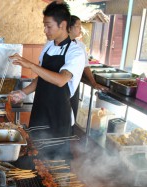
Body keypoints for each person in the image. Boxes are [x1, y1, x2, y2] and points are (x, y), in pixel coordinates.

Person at [9, 2, 85, 159]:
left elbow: (60, 80)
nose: (45, 30)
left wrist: (29, 64)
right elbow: (42, 77)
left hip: (59, 115)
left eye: (48, 26)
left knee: (57, 162)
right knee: (35, 155)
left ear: (63, 25)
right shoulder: (48, 46)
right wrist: (23, 93)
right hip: (40, 111)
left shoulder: (75, 52)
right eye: (44, 26)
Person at [69, 15, 107, 119]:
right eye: (78, 26)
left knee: (72, 112)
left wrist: (93, 82)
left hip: (74, 85)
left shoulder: (80, 46)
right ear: (69, 27)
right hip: (59, 84)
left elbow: (85, 65)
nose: (80, 29)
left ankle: (69, 133)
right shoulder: (56, 43)